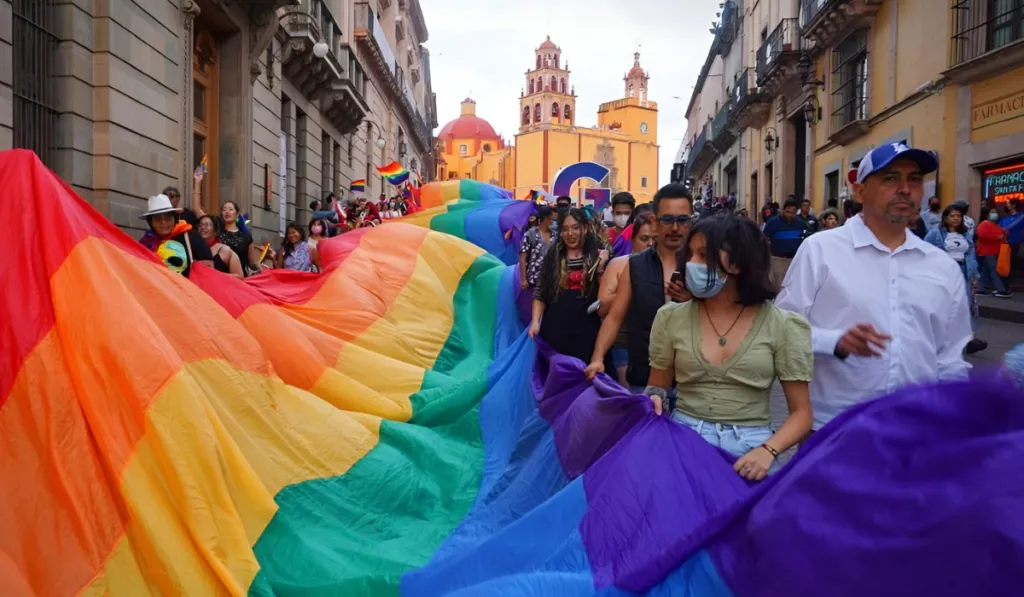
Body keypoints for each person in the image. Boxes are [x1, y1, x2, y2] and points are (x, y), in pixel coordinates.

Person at [776, 143, 972, 431]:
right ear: (860, 191)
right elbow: (780, 329)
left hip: (918, 432)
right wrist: (834, 342)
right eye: (890, 178)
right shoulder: (820, 250)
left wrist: (953, 420)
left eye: (914, 179)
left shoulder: (942, 267)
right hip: (836, 429)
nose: (905, 188)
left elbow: (951, 359)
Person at [646, 216, 813, 480]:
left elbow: (802, 414)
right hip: (683, 446)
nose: (691, 264)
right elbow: (658, 386)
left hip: (751, 456)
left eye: (703, 255)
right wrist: (654, 398)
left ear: (737, 263)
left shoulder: (784, 325)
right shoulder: (670, 318)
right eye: (690, 254)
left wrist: (768, 451)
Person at [584, 183, 694, 392]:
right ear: (655, 221)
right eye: (667, 219)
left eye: (682, 220)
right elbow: (614, 317)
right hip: (644, 379)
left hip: (691, 386)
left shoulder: (702, 263)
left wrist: (693, 301)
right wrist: (598, 358)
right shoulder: (636, 266)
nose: (674, 228)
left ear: (691, 220)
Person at [528, 207, 610, 366]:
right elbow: (540, 294)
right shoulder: (552, 258)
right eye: (565, 229)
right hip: (555, 330)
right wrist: (535, 322)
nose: (570, 233)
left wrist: (600, 268)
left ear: (584, 228)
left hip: (588, 331)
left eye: (575, 228)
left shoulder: (598, 256)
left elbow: (605, 299)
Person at [597, 212, 657, 387]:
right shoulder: (618, 265)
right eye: (644, 238)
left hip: (659, 348)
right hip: (624, 345)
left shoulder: (667, 266)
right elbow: (602, 308)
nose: (650, 244)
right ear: (633, 239)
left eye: (655, 238)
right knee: (631, 398)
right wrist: (630, 289)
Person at [924, 203, 985, 354]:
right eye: (953, 216)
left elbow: (971, 253)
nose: (956, 219)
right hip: (943, 274)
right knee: (943, 305)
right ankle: (938, 339)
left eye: (959, 216)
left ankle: (967, 340)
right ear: (945, 218)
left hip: (963, 273)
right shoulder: (935, 233)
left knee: (965, 306)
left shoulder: (965, 235)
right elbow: (924, 250)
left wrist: (974, 275)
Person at [138, 194, 213, 278]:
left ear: (175, 219)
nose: (163, 222)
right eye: (158, 219)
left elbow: (208, 269)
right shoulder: (145, 243)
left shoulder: (192, 237)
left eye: (168, 218)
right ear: (151, 223)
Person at [976, 207, 1012, 298]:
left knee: (986, 271)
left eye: (995, 212)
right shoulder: (984, 224)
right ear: (988, 214)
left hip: (994, 252)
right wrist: (996, 237)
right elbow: (981, 235)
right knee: (993, 270)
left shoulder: (996, 225)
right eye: (992, 212)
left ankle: (980, 288)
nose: (994, 214)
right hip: (987, 251)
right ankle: (1001, 289)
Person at [520, 205, 556, 290]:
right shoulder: (530, 234)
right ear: (546, 219)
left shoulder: (555, 236)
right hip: (534, 279)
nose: (554, 223)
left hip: (552, 280)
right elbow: (523, 258)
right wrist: (523, 279)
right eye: (553, 220)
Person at [219, 200, 257, 275]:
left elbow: (252, 263)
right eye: (224, 209)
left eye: (230, 209)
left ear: (237, 214)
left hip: (240, 278)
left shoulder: (246, 236)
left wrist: (259, 266)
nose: (227, 211)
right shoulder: (217, 233)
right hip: (221, 277)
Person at [999, 199, 1024, 279]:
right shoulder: (1005, 219)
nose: (1007, 205)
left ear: (1013, 205)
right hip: (1003, 244)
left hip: (1013, 243)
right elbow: (998, 229)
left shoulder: (1021, 216)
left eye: (1008, 204)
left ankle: (1006, 287)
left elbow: (1008, 227)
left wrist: (1003, 229)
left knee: (1009, 264)